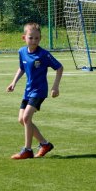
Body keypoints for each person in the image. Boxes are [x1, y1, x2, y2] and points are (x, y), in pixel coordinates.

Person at [6, 22, 63, 160]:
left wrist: (55, 86)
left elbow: (59, 68)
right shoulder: (22, 52)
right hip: (28, 91)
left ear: (40, 38)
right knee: (22, 120)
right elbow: (22, 68)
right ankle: (45, 144)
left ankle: (27, 150)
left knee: (26, 118)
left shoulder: (43, 54)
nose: (34, 41)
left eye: (37, 38)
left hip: (39, 91)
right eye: (31, 38)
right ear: (24, 37)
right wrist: (14, 82)